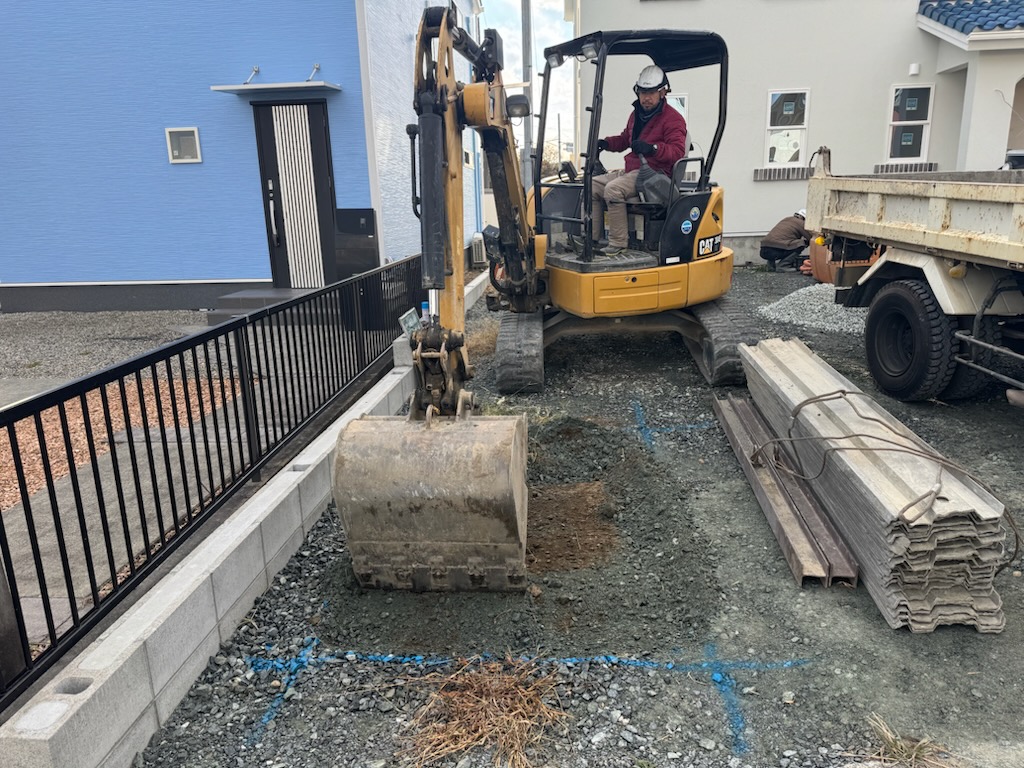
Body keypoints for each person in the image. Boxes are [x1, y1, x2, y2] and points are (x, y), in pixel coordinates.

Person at [588, 65, 688, 256]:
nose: (646, 98)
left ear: (663, 92)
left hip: (655, 175)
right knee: (591, 186)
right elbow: (626, 139)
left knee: (613, 189)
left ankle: (618, 243)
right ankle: (591, 239)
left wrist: (653, 148)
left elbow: (677, 151)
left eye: (651, 93)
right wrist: (606, 143)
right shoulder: (636, 115)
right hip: (633, 170)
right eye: (643, 92)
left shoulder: (673, 119)